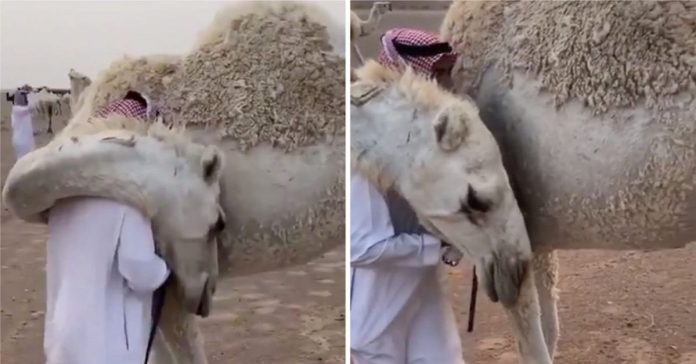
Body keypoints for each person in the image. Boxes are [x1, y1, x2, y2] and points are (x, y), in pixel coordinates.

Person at [350, 29, 465, 364]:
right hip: (377, 309)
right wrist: (436, 245)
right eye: (439, 73)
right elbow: (362, 246)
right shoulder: (365, 143)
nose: (447, 82)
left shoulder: (430, 136)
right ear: (414, 74)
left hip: (424, 289)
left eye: (447, 72)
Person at [43, 93, 168, 364]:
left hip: (62, 336)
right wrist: (165, 270)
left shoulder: (61, 200)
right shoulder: (127, 200)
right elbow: (139, 269)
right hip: (108, 344)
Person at [9, 85, 36, 159]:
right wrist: (31, 95)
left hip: (25, 139)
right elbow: (31, 107)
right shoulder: (17, 109)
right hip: (22, 141)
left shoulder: (20, 110)